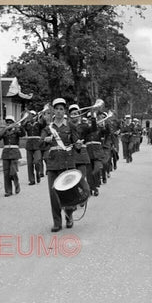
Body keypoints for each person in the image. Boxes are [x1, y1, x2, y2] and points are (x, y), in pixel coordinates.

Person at [41, 98, 83, 232]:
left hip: (67, 163)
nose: (59, 112)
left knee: (68, 192)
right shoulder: (48, 128)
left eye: (61, 109)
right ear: (53, 111)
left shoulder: (70, 126)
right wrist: (46, 141)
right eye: (57, 109)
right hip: (52, 164)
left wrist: (78, 144)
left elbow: (76, 143)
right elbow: (40, 144)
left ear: (64, 111)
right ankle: (57, 222)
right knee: (54, 194)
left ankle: (69, 216)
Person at [0, 115, 25, 197]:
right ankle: (8, 191)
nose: (8, 123)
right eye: (7, 122)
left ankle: (16, 183)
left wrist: (20, 126)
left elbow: (23, 134)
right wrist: (5, 129)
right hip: (5, 153)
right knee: (6, 173)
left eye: (10, 122)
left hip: (14, 152)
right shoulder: (4, 130)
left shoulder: (16, 130)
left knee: (13, 171)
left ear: (13, 122)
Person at [68, 104, 92, 198]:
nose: (74, 115)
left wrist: (93, 116)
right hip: (70, 156)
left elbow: (93, 129)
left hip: (81, 155)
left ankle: (83, 194)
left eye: (76, 113)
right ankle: (77, 196)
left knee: (81, 178)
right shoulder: (67, 126)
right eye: (72, 113)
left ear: (79, 115)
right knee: (72, 179)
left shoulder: (84, 126)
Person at [23, 110, 47, 185]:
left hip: (37, 145)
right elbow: (22, 127)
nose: (31, 117)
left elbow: (44, 124)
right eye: (30, 115)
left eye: (33, 115)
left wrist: (42, 115)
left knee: (37, 161)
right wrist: (25, 119)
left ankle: (38, 173)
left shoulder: (38, 124)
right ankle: (32, 180)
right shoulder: (27, 124)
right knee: (29, 163)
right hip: (29, 145)